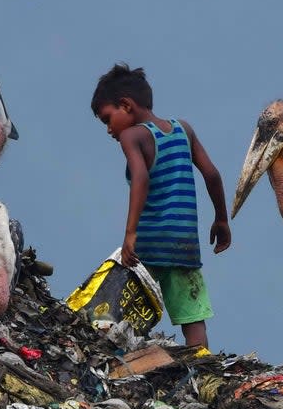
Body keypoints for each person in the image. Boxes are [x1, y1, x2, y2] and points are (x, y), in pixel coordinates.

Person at [91, 64, 231, 349]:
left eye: (107, 119)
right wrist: (221, 219)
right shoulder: (184, 130)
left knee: (123, 312)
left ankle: (123, 363)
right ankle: (201, 368)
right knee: (193, 319)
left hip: (148, 246)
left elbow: (140, 177)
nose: (108, 130)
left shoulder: (133, 137)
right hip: (184, 244)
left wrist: (130, 234)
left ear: (126, 106)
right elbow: (212, 174)